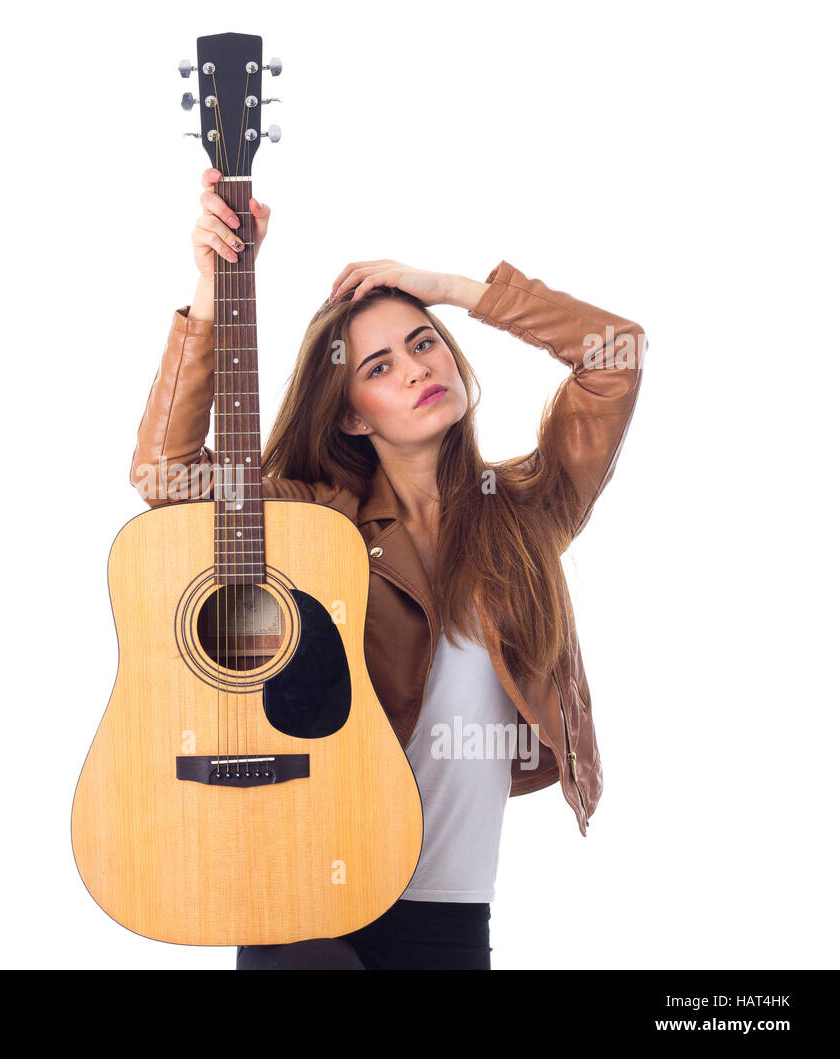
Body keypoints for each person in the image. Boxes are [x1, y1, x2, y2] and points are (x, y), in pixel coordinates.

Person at [130, 168, 646, 969]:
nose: (413, 368)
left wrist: (448, 288)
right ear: (348, 413)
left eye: (422, 342)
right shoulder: (312, 522)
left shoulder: (525, 516)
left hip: (452, 916)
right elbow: (168, 479)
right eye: (377, 367)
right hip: (307, 897)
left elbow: (615, 355)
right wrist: (210, 289)